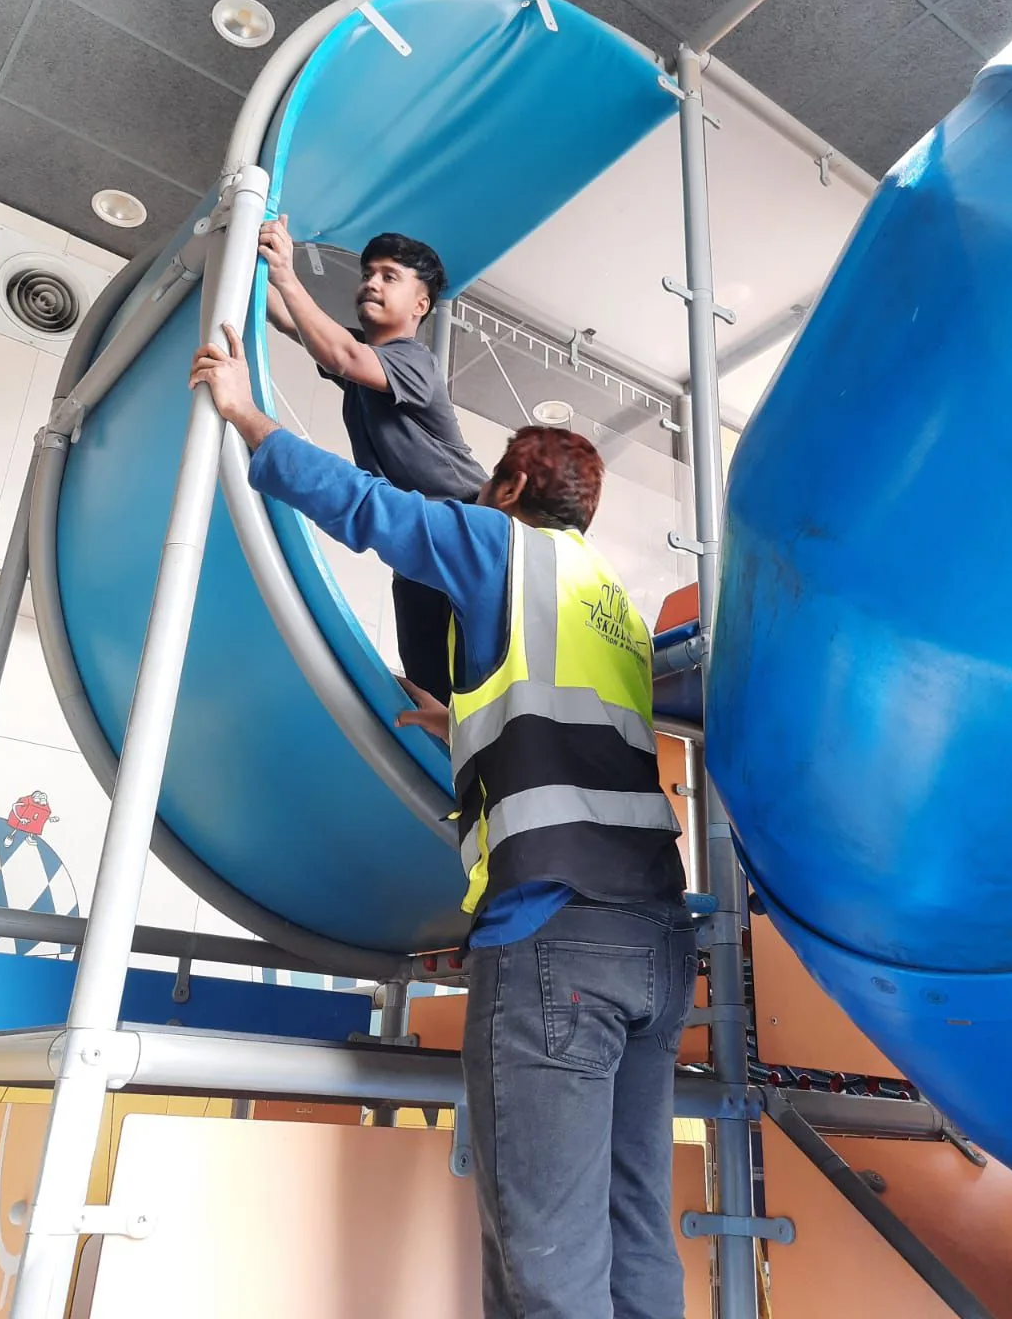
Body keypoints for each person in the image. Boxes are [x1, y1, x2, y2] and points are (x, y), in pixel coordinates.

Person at [190, 324, 696, 1319]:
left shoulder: (498, 544)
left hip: (555, 940)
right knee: (634, 1222)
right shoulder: (614, 609)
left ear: (505, 490)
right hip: (654, 944)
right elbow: (573, 728)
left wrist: (251, 418)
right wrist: (461, 714)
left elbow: (378, 513)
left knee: (547, 1256)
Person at [259, 213, 485, 704]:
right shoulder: (364, 360)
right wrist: (247, 259)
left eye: (390, 276)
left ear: (420, 304)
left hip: (465, 531)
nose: (371, 284)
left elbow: (343, 356)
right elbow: (288, 320)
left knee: (472, 689)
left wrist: (286, 273)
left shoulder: (413, 362)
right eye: (368, 274)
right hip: (417, 558)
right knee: (430, 698)